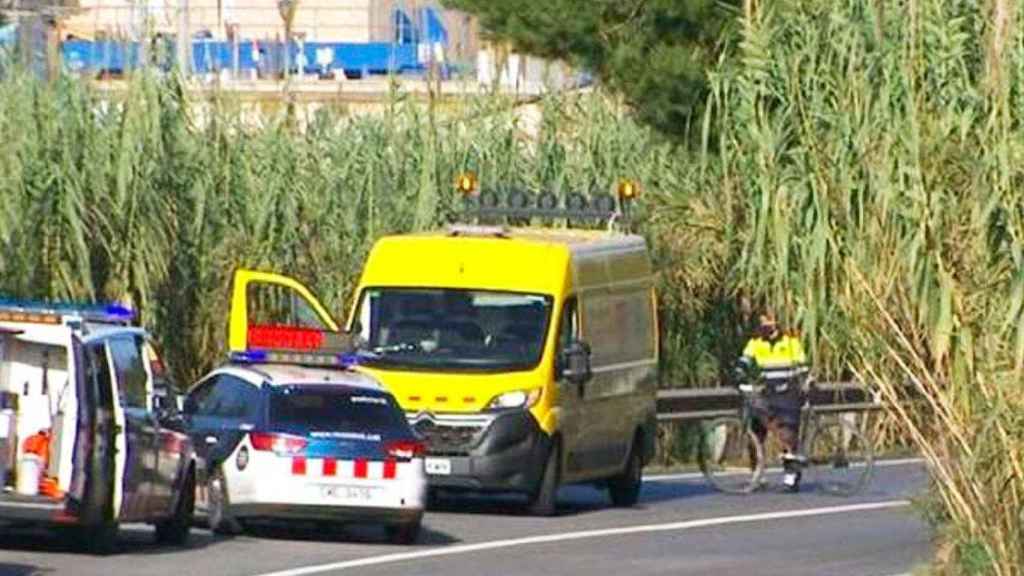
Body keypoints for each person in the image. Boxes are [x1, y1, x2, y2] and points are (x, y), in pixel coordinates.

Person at [736, 310, 809, 492]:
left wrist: (806, 381)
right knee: (756, 430)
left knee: (788, 434)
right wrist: (739, 373)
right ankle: (758, 475)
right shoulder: (756, 343)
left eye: (769, 321)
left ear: (777, 322)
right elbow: (744, 361)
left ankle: (791, 478)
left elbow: (802, 366)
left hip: (788, 393)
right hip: (769, 393)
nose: (766, 325)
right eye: (763, 322)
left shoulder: (791, 342)